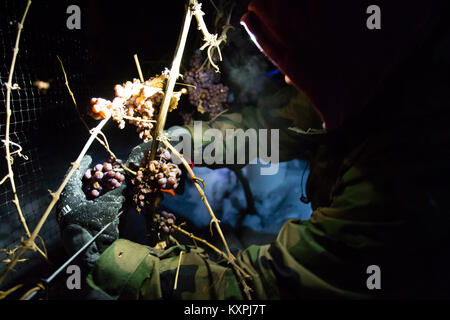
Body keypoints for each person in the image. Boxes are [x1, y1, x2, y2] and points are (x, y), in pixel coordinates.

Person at [66, 0, 450, 299]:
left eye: (299, 58)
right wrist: (177, 149)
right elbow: (265, 128)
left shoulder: (411, 166)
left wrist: (116, 265)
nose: (284, 75)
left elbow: (268, 289)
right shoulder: (373, 76)